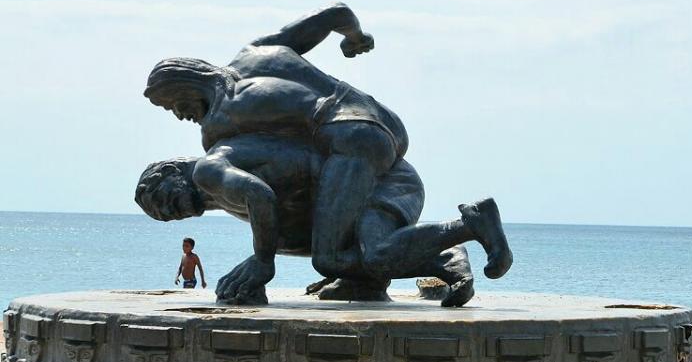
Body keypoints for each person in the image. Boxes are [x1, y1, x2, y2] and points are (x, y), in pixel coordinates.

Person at [140, 3, 510, 284]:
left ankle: (469, 225)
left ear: (183, 84)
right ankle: (433, 260)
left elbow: (256, 188)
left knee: (329, 258)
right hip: (385, 126)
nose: (179, 114)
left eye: (173, 104)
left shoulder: (219, 126)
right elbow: (337, 13)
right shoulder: (255, 53)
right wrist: (355, 38)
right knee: (353, 247)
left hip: (348, 139)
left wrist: (262, 260)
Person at [135, 133, 510, 307]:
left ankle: (471, 223)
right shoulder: (218, 188)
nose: (179, 213)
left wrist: (262, 262)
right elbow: (297, 228)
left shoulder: (209, 169)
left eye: (169, 203)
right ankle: (442, 260)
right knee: (337, 259)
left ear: (173, 172)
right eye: (170, 216)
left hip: (382, 182)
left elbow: (261, 197)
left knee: (374, 253)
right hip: (376, 182)